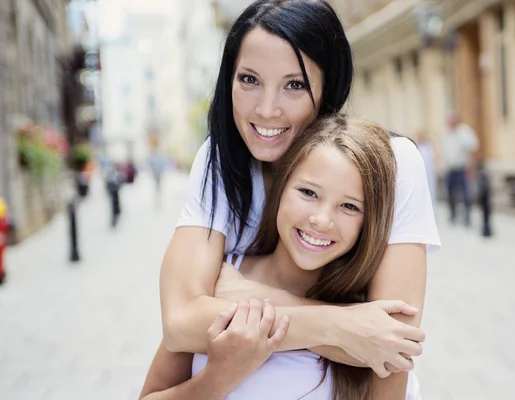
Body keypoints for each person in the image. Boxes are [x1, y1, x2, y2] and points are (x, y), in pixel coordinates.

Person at [158, 0, 441, 397]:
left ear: (328, 88)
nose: (267, 109)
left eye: (294, 85)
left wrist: (246, 297)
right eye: (249, 80)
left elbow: (390, 343)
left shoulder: (392, 163)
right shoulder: (221, 159)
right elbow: (180, 321)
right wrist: (340, 326)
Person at [141, 116, 420, 400]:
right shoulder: (215, 279)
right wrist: (218, 377)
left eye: (349, 206)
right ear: (282, 187)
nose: (321, 220)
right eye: (308, 192)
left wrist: (255, 297)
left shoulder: (372, 320)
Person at [442, 113, 479, 226]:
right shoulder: (447, 133)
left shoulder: (464, 132)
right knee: (450, 193)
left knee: (465, 193)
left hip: (462, 167)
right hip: (450, 168)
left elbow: (474, 146)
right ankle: (453, 215)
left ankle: (467, 216)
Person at [415, 130, 437, 206]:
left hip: (429, 172)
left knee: (431, 191)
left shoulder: (428, 146)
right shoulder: (417, 147)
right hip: (420, 173)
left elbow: (431, 159)